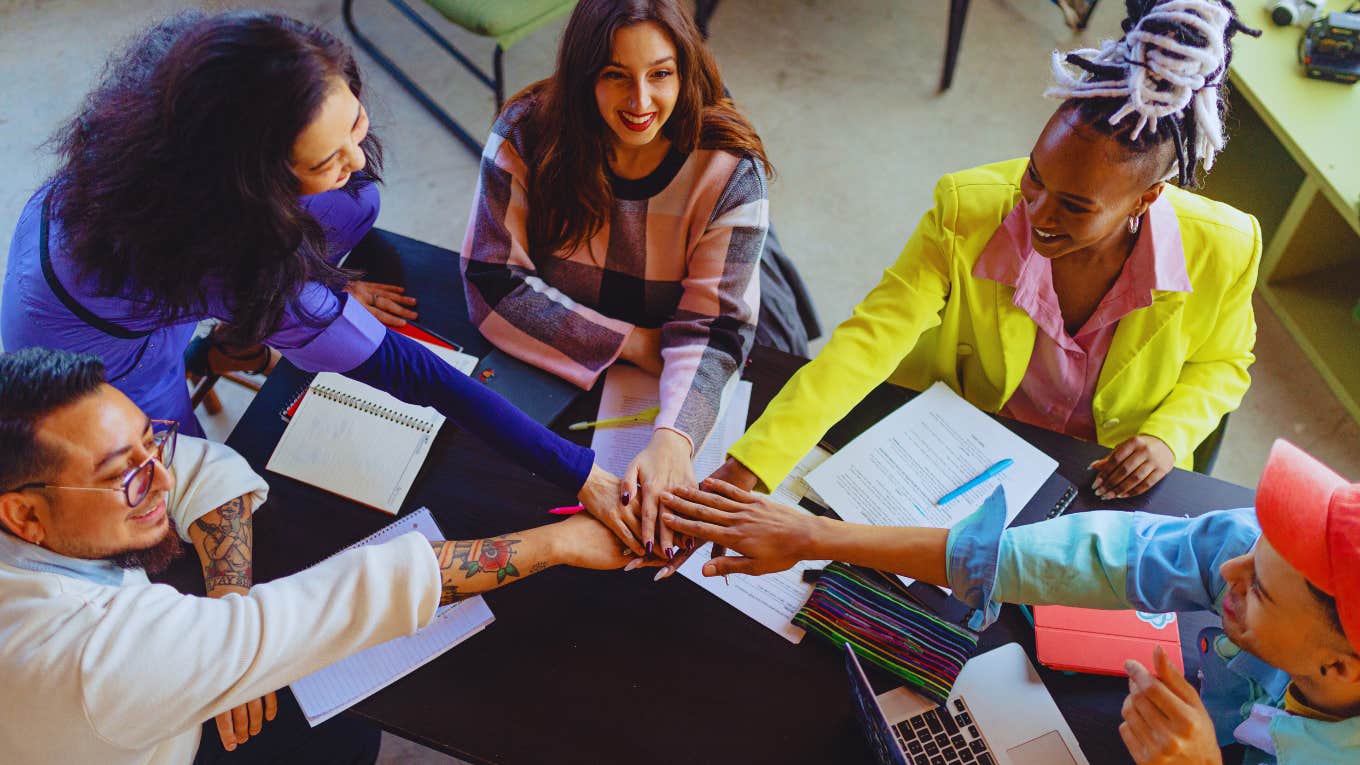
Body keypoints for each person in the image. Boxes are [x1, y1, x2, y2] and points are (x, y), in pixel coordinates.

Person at [0, 10, 634, 548]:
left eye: (353, 124)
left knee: (355, 202)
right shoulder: (232, 257)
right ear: (254, 187)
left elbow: (331, 202)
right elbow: (414, 372)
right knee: (182, 493)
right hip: (98, 363)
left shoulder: (182, 89)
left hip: (105, 257)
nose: (356, 158)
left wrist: (314, 296)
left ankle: (226, 343)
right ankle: (213, 355)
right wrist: (584, 474)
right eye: (325, 157)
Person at [711, 0, 1262, 504]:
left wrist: (1169, 436)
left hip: (1102, 484)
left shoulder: (1225, 249)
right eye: (1035, 177)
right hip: (954, 454)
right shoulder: (966, 210)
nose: (1038, 214)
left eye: (1073, 207)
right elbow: (866, 345)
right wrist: (750, 467)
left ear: (1147, 198)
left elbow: (1223, 362)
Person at [0, 347, 652, 765]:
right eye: (127, 476)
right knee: (347, 735)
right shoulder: (88, 657)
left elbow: (207, 465)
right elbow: (345, 597)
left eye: (153, 440)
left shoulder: (31, 509)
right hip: (154, 746)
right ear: (24, 513)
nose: (162, 480)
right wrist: (560, 541)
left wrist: (228, 604)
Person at [659, 439, 1360, 764]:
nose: (1226, 568)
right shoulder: (1261, 555)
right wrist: (817, 534)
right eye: (1251, 548)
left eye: (1255, 587)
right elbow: (1087, 557)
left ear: (1338, 669)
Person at [460, 0, 817, 560]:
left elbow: (716, 330)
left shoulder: (729, 168)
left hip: (686, 333)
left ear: (685, 68)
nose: (641, 103)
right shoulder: (527, 132)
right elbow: (491, 282)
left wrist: (674, 440)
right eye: (614, 76)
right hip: (603, 353)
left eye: (661, 74)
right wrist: (635, 342)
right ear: (582, 74)